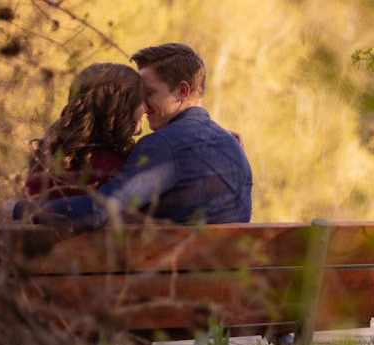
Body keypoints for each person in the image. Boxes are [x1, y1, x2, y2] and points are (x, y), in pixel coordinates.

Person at [15, 43, 252, 231]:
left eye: (148, 94)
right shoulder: (232, 146)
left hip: (167, 286)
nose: (144, 106)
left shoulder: (162, 146)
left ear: (183, 91)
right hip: (233, 283)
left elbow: (102, 211)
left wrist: (20, 211)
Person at [24, 63, 145, 200]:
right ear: (119, 108)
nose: (145, 108)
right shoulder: (114, 169)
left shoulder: (47, 155)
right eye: (140, 101)